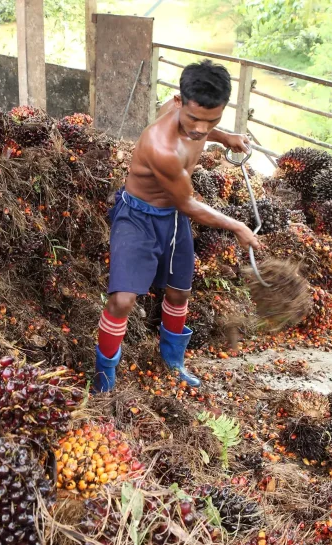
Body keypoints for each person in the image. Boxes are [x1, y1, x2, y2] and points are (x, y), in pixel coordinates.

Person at [93, 59, 261, 393]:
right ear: (178, 102)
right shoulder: (162, 146)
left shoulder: (198, 118)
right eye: (194, 118)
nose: (201, 128)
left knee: (179, 291)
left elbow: (201, 126)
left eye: (212, 119)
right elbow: (188, 204)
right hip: (138, 217)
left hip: (171, 218)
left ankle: (173, 362)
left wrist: (225, 137)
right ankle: (103, 377)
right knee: (123, 300)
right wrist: (237, 226)